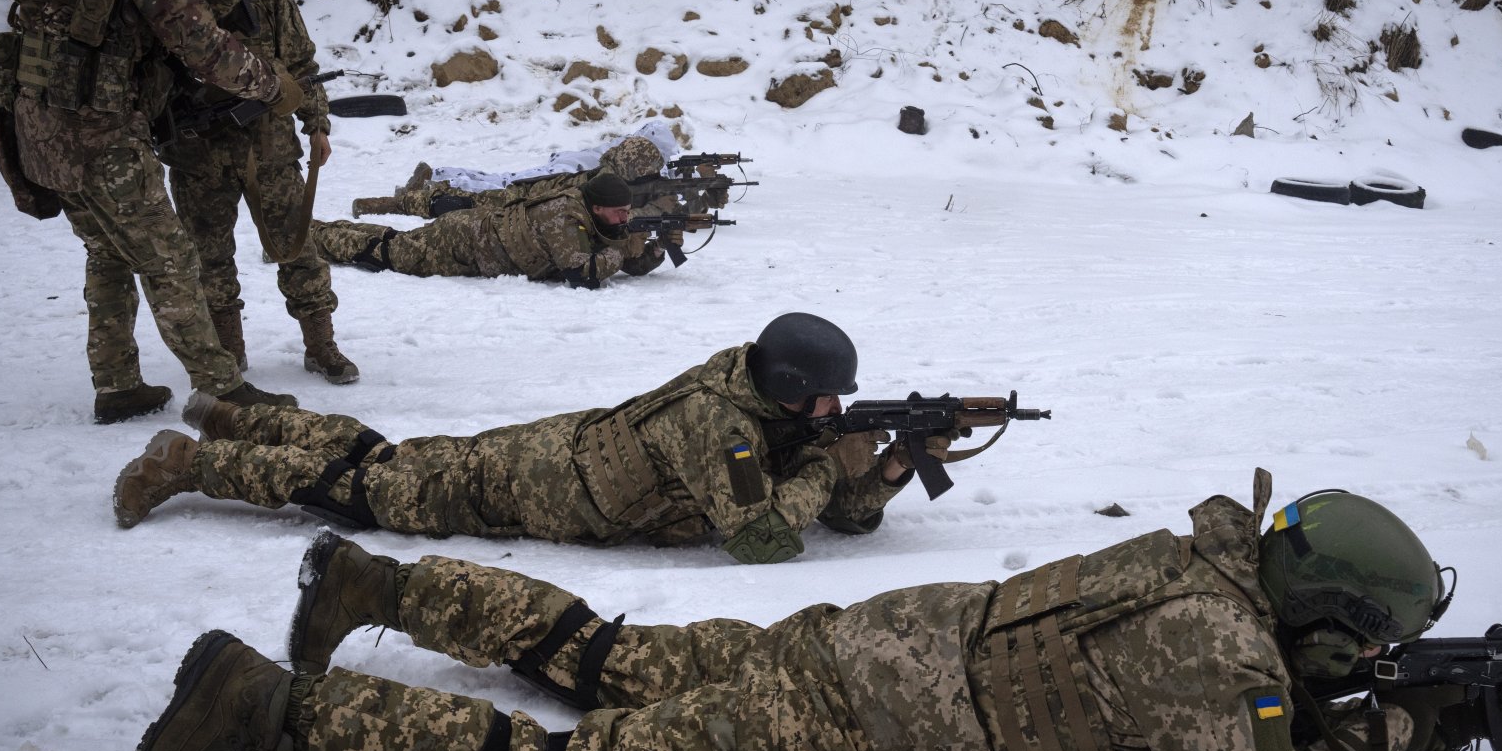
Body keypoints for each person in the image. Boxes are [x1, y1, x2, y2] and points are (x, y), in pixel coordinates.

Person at [127, 475, 1502, 751]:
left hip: (866, 634)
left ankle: (381, 581)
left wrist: (1366, 694)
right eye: (1363, 640)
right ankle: (266, 707)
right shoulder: (1224, 663)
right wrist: (1388, 728)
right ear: (1319, 618)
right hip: (858, 729)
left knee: (603, 657)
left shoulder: (1203, 559)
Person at [113, 313, 915, 563]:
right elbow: (766, 540)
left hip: (563, 450)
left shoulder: (750, 384)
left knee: (385, 455)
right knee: (375, 490)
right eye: (823, 399)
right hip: (535, 486)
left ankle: (229, 414)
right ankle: (195, 463)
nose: (832, 411)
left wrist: (881, 476)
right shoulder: (725, 426)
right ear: (784, 392)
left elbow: (836, 512)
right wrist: (827, 466)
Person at [0, 0, 299, 422]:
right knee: (171, 256)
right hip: (96, 125)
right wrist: (270, 83)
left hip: (35, 113)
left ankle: (117, 385)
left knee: (107, 249)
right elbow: (198, 42)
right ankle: (222, 392)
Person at [157, 0, 357, 385]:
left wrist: (318, 125)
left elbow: (303, 66)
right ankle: (229, 352)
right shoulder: (172, 0)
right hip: (198, 154)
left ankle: (321, 345)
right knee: (209, 258)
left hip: (270, 150)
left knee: (296, 247)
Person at [310, 169, 673, 287]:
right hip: (462, 242)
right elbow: (580, 272)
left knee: (393, 240)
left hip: (478, 236)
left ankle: (313, 230)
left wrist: (656, 250)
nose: (625, 219)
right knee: (385, 252)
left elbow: (622, 259)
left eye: (628, 213)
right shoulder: (563, 215)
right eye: (620, 213)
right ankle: (309, 238)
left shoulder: (594, 215)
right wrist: (619, 248)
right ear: (596, 208)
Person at [349, 127, 675, 219]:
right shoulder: (629, 163)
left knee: (501, 182)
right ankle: (434, 182)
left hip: (570, 168)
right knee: (503, 186)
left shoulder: (629, 154)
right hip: (567, 172)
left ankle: (436, 177)